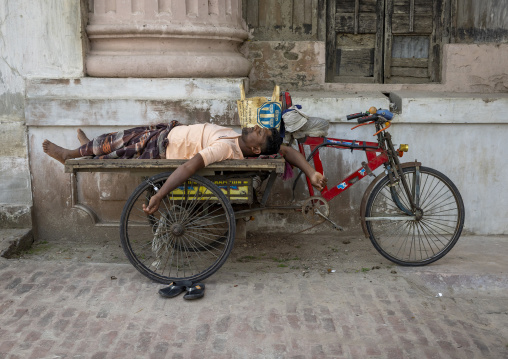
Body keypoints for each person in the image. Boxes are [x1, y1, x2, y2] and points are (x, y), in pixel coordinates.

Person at [42, 122, 327, 214]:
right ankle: (90, 148)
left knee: (122, 142)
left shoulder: (224, 149)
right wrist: (312, 172)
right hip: (166, 131)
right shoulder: (238, 138)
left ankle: (72, 154)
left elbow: (190, 167)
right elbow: (287, 150)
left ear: (254, 149)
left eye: (259, 133)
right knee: (117, 139)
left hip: (159, 146)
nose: (255, 127)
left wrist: (159, 194)